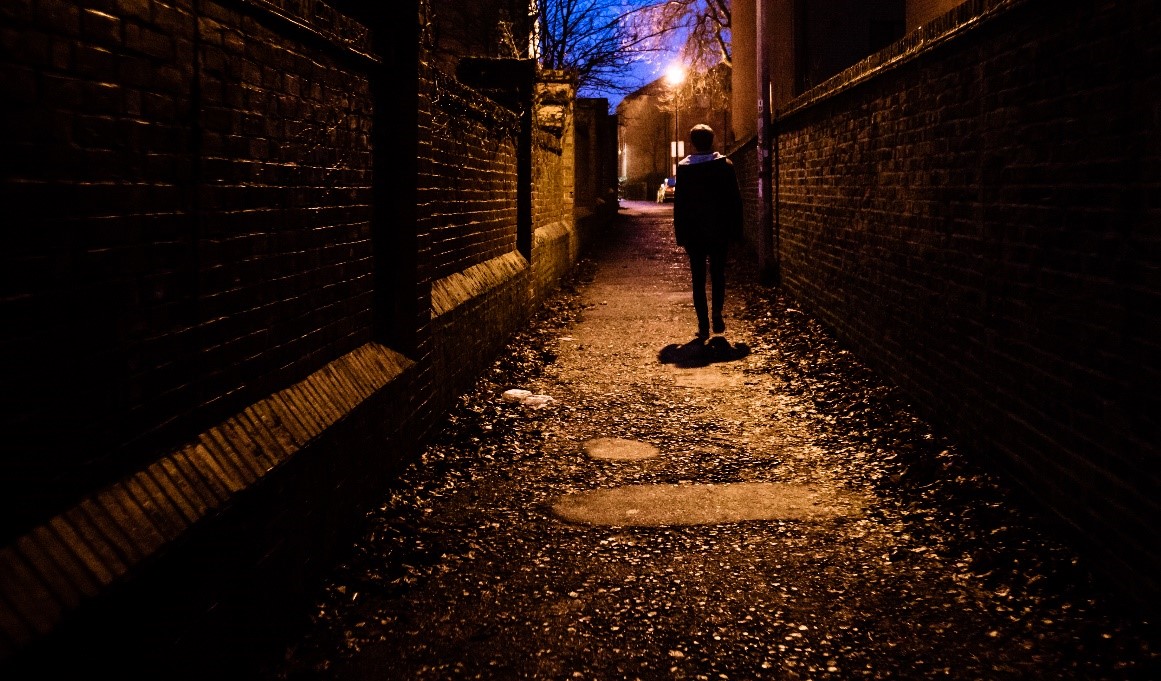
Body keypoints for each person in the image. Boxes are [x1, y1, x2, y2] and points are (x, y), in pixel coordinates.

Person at [673, 123, 743, 340]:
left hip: (694, 233)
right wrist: (736, 230)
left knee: (698, 278)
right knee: (718, 274)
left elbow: (680, 204)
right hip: (719, 230)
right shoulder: (725, 166)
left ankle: (703, 324)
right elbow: (735, 200)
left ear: (692, 143)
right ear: (712, 141)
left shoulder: (684, 169)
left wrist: (681, 234)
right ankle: (717, 315)